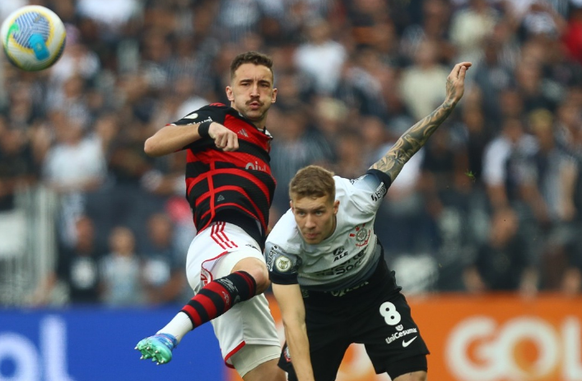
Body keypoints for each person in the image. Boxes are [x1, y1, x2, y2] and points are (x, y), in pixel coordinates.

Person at [265, 61, 471, 381]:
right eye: (300, 213)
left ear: (335, 206)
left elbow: (403, 149)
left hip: (373, 295)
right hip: (317, 311)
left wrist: (448, 104)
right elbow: (292, 319)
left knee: (414, 375)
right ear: (291, 207)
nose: (308, 223)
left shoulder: (361, 196)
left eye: (318, 212)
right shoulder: (280, 244)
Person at [135, 51, 285, 381]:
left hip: (240, 261)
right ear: (230, 93)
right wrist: (205, 128)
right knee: (258, 274)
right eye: (245, 83)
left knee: (271, 376)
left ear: (274, 94)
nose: (255, 91)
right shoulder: (217, 116)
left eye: (263, 84)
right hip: (219, 237)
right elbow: (153, 145)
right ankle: (170, 332)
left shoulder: (262, 149)